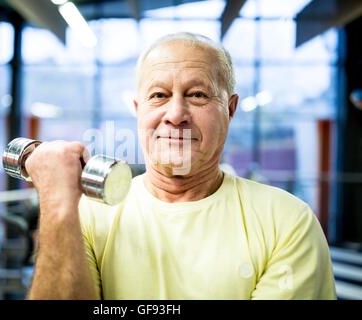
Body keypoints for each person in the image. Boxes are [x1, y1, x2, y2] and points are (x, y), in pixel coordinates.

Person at [25, 32, 336, 299]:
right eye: (159, 95)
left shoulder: (287, 222)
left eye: (197, 95)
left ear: (230, 110)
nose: (176, 114)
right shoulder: (87, 216)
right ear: (138, 110)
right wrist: (56, 202)